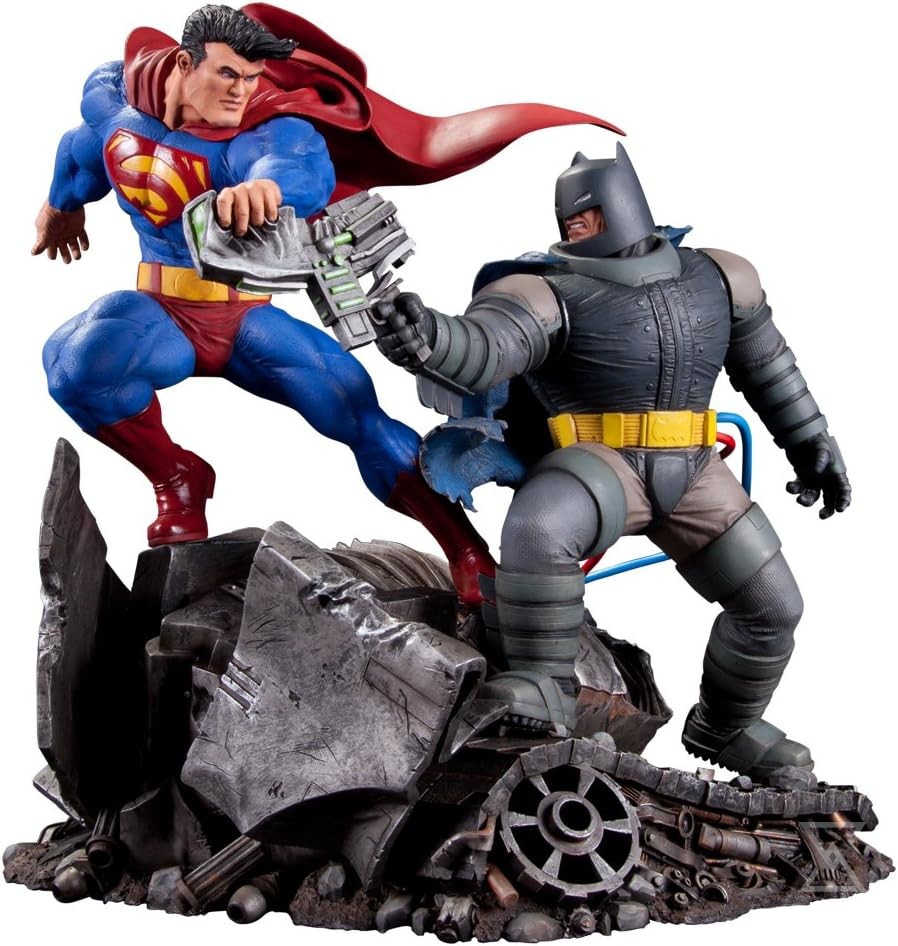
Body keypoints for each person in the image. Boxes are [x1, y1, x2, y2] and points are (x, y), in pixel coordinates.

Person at [34, 4, 619, 606]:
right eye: (228, 74)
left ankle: (467, 551)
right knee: (74, 363)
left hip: (243, 317)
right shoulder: (120, 118)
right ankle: (178, 477)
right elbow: (79, 156)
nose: (242, 92)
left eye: (252, 78)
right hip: (163, 311)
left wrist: (266, 188)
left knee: (354, 410)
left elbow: (296, 169)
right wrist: (59, 208)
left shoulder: (264, 132)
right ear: (185, 64)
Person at [373, 144, 851, 780]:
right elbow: (485, 346)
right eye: (568, 218)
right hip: (599, 464)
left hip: (695, 470)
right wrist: (427, 337)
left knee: (773, 605)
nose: (574, 225)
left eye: (587, 214)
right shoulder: (545, 291)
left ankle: (727, 724)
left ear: (624, 205)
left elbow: (768, 367)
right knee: (539, 530)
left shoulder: (720, 276)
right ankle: (542, 686)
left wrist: (811, 440)